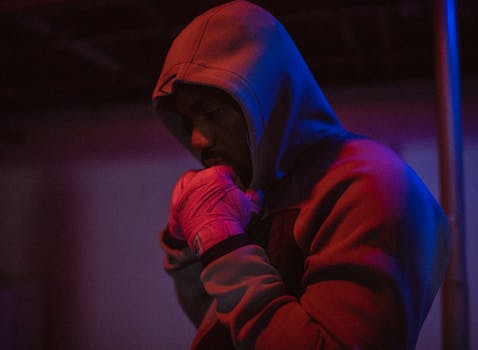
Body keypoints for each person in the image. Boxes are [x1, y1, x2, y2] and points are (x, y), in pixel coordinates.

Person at [152, 1, 450, 349]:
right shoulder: (257, 189)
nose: (197, 139)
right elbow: (225, 328)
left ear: (265, 98)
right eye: (189, 122)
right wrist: (185, 245)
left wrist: (223, 245)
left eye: (214, 112)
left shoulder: (370, 184)